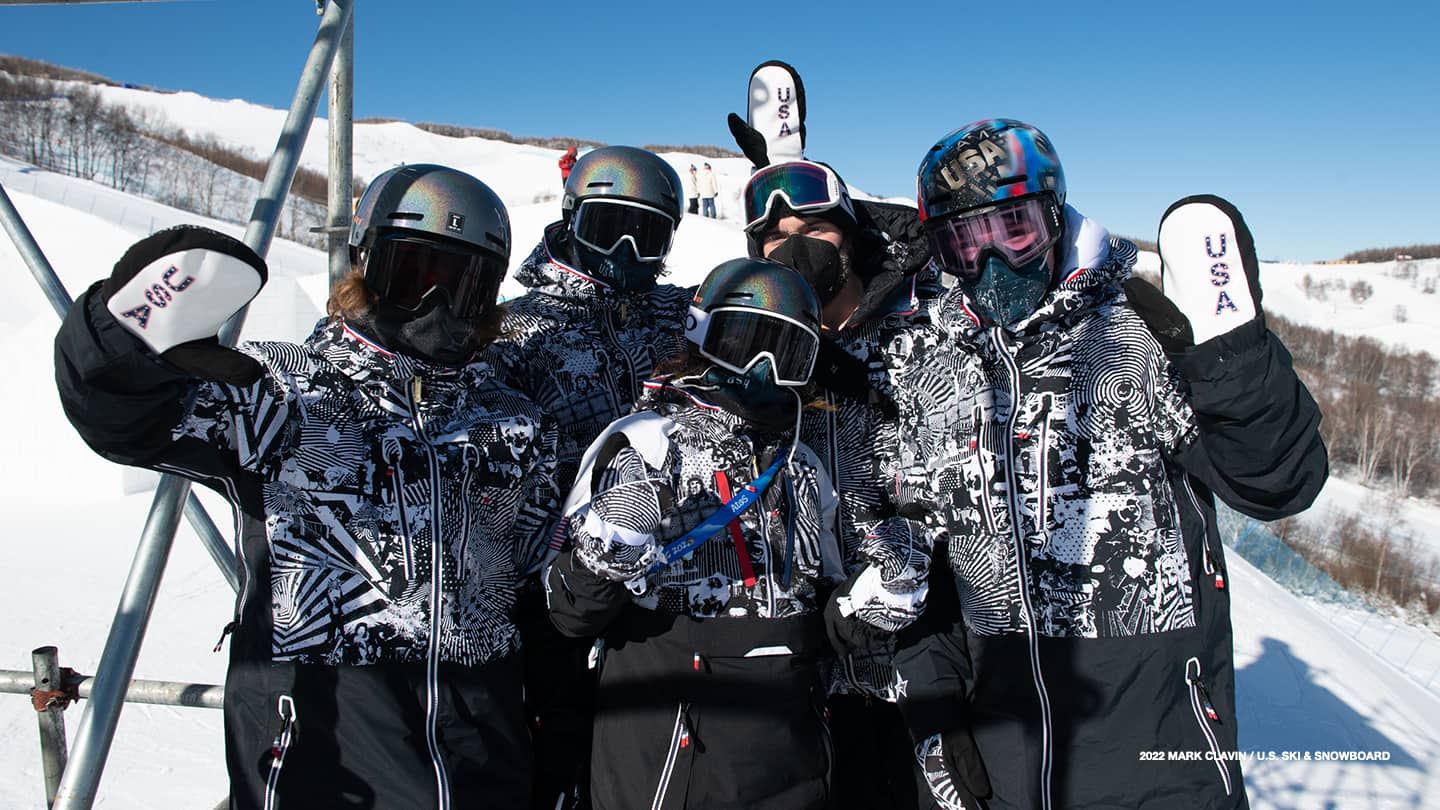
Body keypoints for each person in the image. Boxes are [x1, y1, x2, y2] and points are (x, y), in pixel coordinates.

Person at [53, 164, 559, 808]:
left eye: (458, 286)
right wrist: (121, 342)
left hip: (483, 755)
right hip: (326, 750)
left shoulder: (510, 421)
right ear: (363, 268)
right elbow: (117, 417)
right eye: (410, 275)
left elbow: (537, 579)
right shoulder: (287, 392)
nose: (432, 305)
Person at [892, 119, 1329, 810]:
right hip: (1003, 770)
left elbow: (1277, 480)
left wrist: (1229, 361)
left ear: (1056, 216)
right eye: (964, 242)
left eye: (1015, 227)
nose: (993, 261)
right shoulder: (933, 374)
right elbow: (926, 569)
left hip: (1158, 768)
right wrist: (936, 711)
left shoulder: (1133, 336)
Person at [544, 258, 864, 809]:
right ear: (701, 336)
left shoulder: (803, 463)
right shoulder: (644, 443)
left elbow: (824, 597)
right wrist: (602, 558)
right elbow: (567, 612)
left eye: (785, 354)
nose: (761, 369)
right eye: (743, 341)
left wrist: (867, 606)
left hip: (791, 746)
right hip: (672, 739)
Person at [740, 158, 947, 810]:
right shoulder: (756, 346)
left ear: (852, 238)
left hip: (923, 663)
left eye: (815, 229)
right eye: (776, 239)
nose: (795, 249)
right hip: (802, 673)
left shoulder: (930, 330)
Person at [493, 144, 690, 809]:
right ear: (571, 220)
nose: (628, 249)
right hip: (550, 607)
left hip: (659, 612)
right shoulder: (519, 332)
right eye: (609, 226)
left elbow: (777, 304)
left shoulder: (678, 319)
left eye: (649, 232)